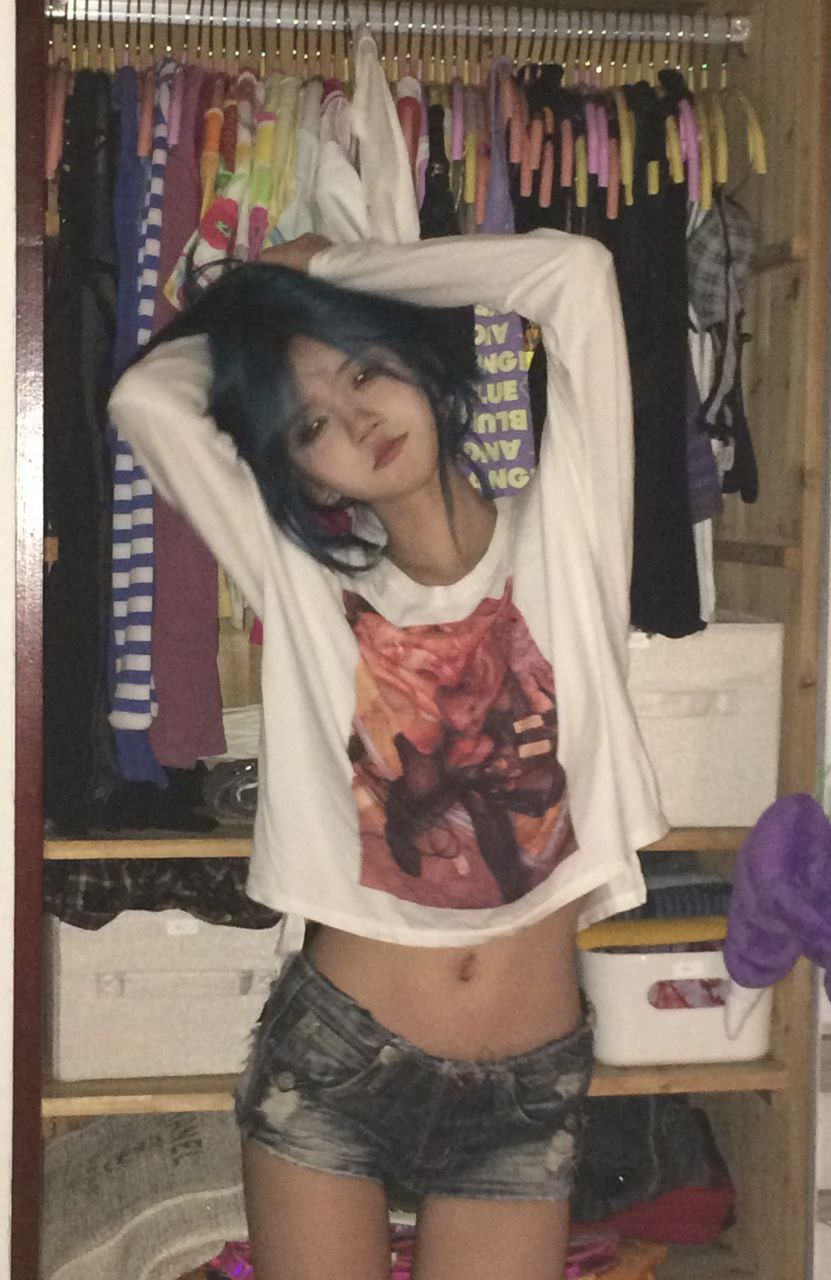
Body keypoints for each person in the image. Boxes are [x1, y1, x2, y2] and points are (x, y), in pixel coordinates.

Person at [109, 228, 666, 1280]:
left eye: (366, 371)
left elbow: (574, 274)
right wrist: (267, 302)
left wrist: (331, 274)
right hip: (338, 1066)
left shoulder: (571, 537)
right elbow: (147, 398)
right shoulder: (308, 586)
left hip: (525, 1088)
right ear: (298, 467)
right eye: (310, 421)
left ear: (420, 363)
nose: (355, 417)